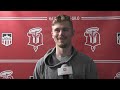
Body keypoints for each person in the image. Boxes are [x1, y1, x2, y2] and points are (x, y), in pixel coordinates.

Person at [33, 14, 98, 79]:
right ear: (52, 34)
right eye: (57, 30)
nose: (61, 33)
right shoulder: (42, 65)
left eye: (65, 30)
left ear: (72, 32)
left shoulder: (87, 63)